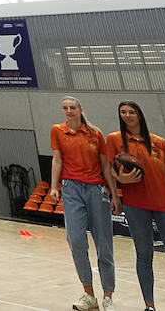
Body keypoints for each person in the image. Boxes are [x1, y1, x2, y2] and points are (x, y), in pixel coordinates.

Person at [104, 101, 165, 311]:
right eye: (123, 112)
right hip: (135, 206)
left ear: (139, 114)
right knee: (144, 254)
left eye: (131, 112)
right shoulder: (114, 139)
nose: (127, 115)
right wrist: (121, 181)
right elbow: (109, 169)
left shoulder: (159, 142)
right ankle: (149, 306)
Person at [50, 97, 119, 311]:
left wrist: (114, 195)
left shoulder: (95, 134)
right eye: (65, 108)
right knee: (76, 240)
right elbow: (57, 159)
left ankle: (108, 297)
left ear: (81, 109)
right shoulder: (57, 131)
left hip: (96, 189)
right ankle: (89, 296)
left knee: (104, 244)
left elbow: (105, 167)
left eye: (73, 108)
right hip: (70, 188)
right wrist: (54, 186)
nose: (69, 111)